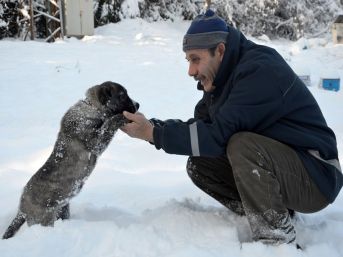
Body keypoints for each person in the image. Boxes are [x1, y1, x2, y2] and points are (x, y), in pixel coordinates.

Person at [120, 9, 342, 246]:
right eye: (188, 61)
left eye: (196, 59)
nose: (191, 71)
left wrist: (153, 133)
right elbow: (203, 128)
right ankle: (275, 212)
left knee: (241, 145)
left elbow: (216, 136)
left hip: (316, 175)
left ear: (220, 50)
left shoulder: (259, 70)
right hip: (287, 167)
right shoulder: (222, 78)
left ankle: (276, 239)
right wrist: (152, 128)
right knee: (200, 164)